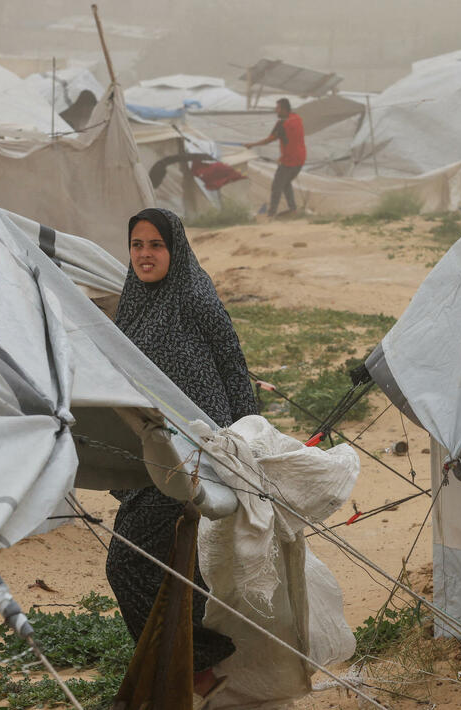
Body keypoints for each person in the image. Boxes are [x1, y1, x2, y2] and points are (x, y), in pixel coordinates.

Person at [107, 207, 258, 701]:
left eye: (155, 245)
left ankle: (195, 666)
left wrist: (247, 439)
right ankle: (190, 674)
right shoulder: (131, 302)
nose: (145, 255)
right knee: (178, 563)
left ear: (176, 249)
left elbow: (233, 364)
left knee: (126, 561)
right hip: (154, 448)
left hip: (196, 450)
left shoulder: (193, 295)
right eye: (137, 245)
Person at [244, 97, 306, 218]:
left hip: (289, 161)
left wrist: (252, 145)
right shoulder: (297, 119)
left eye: (277, 108)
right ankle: (292, 209)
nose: (276, 111)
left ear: (283, 109)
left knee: (277, 186)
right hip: (301, 159)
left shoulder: (283, 123)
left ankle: (271, 214)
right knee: (286, 183)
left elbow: (269, 140)